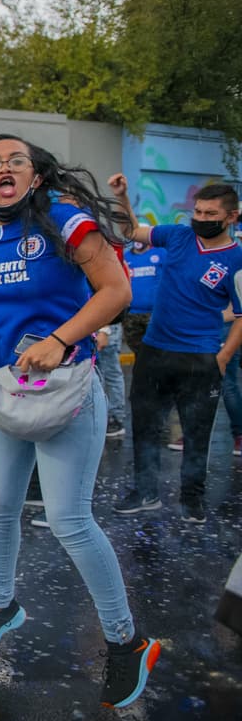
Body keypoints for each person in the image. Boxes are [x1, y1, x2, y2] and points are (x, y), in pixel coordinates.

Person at [0, 133, 157, 709]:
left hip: (67, 391)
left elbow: (115, 291)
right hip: (6, 394)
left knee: (69, 519)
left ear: (36, 175)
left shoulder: (65, 220)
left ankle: (127, 642)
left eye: (16, 161)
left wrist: (60, 339)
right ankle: (0, 605)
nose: (4, 168)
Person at [108, 175, 242, 523]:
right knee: (146, 424)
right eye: (197, 210)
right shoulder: (178, 235)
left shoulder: (237, 259)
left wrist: (223, 357)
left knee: (196, 432)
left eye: (210, 213)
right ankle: (145, 491)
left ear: (231, 218)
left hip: (201, 357)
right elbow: (131, 232)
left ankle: (191, 499)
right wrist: (122, 198)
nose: (200, 218)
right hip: (155, 350)